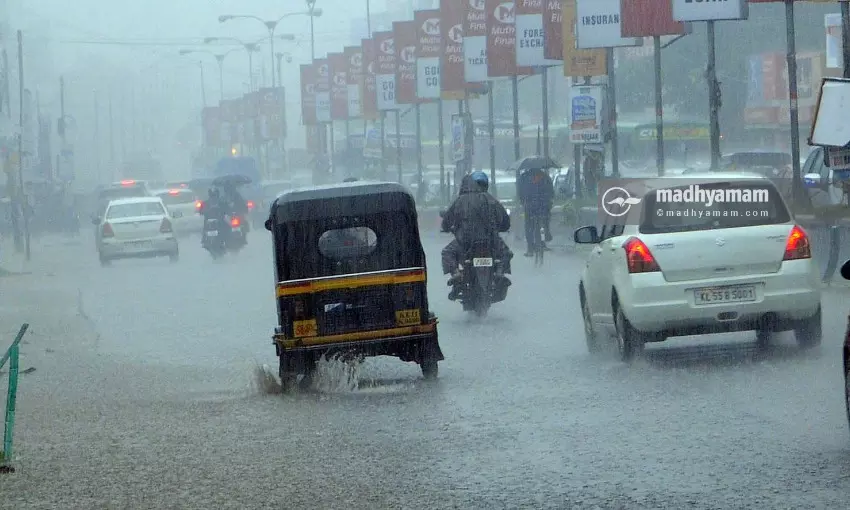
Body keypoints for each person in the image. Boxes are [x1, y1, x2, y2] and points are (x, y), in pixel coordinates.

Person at [440, 171, 512, 300]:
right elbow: (505, 222)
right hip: (490, 240)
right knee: (505, 252)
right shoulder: (490, 199)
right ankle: (500, 272)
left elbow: (446, 221)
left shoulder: (460, 200)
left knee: (447, 253)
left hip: (465, 242)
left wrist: (447, 228)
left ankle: (456, 273)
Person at [516, 166, 554, 256]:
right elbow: (551, 192)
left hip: (529, 206)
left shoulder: (523, 177)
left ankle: (530, 248)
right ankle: (542, 242)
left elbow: (520, 192)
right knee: (542, 224)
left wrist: (523, 202)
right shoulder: (545, 176)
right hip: (543, 206)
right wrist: (548, 202)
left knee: (529, 226)